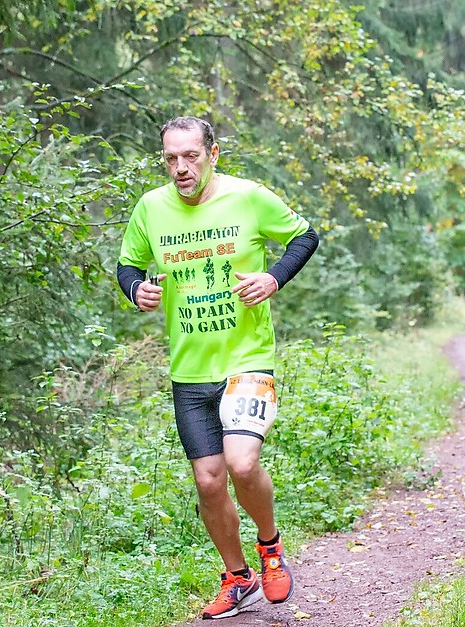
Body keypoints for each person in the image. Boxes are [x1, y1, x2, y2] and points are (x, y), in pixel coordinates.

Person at [116, 116, 319, 618]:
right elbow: (128, 264)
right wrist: (135, 288)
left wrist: (273, 279)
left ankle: (270, 549)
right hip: (189, 370)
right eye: (170, 158)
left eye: (190, 156)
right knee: (208, 480)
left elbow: (304, 236)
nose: (180, 168)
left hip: (247, 359)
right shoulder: (151, 208)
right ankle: (238, 576)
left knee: (241, 463)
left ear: (213, 153)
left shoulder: (248, 196)